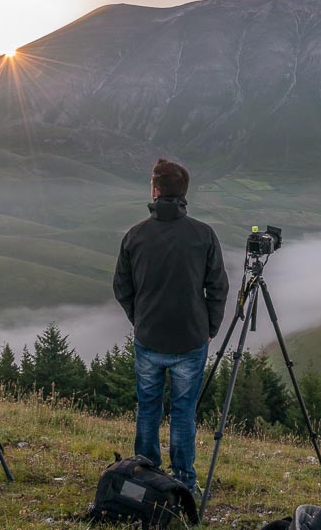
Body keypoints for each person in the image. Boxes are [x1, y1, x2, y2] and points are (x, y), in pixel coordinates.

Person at [113, 158, 229, 493]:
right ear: (183, 193)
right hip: (191, 339)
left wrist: (139, 318)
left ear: (156, 190)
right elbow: (218, 286)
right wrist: (210, 327)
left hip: (149, 338)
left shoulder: (135, 235)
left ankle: (144, 476)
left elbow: (122, 287)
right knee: (182, 414)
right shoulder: (203, 234)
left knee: (148, 409)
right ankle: (184, 482)